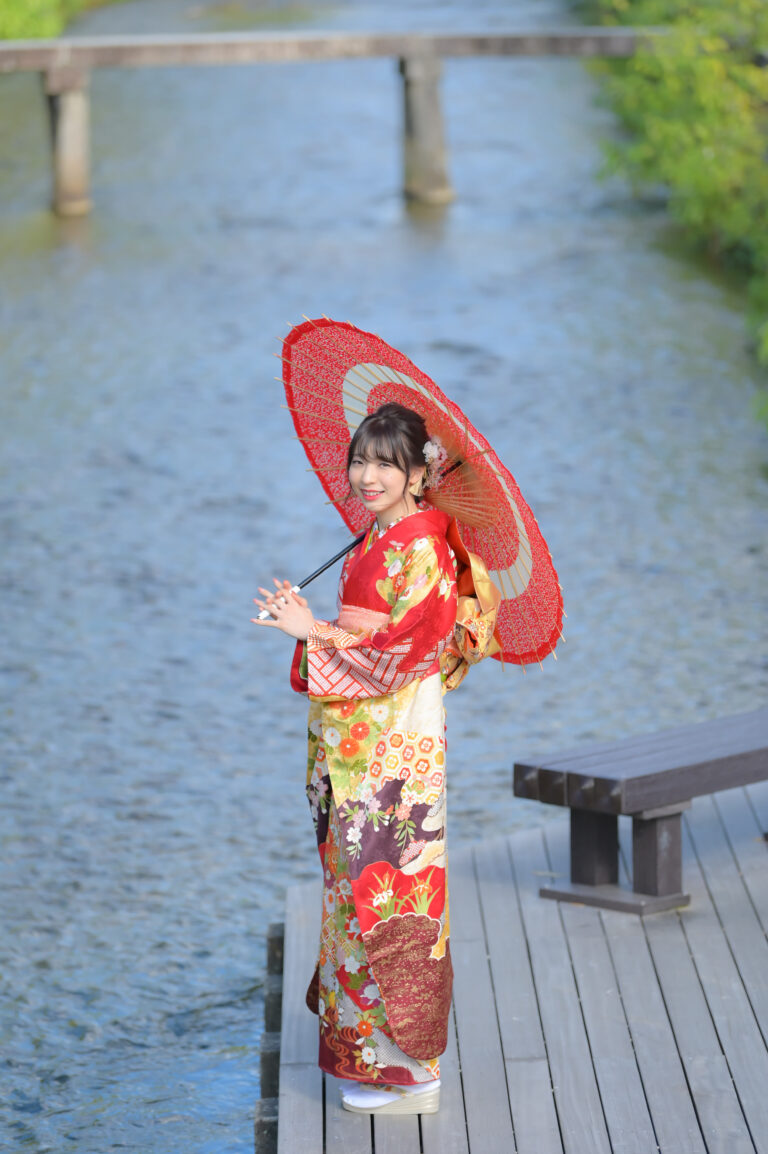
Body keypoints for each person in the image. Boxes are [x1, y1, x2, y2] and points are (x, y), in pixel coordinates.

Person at [252, 402, 500, 1116]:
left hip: (395, 750)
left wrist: (314, 633)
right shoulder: (380, 536)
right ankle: (370, 1055)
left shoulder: (421, 549)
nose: (367, 475)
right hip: (362, 744)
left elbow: (397, 661)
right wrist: (313, 627)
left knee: (387, 897)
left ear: (421, 475)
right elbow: (368, 642)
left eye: (386, 464)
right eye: (361, 460)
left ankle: (408, 1062)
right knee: (350, 898)